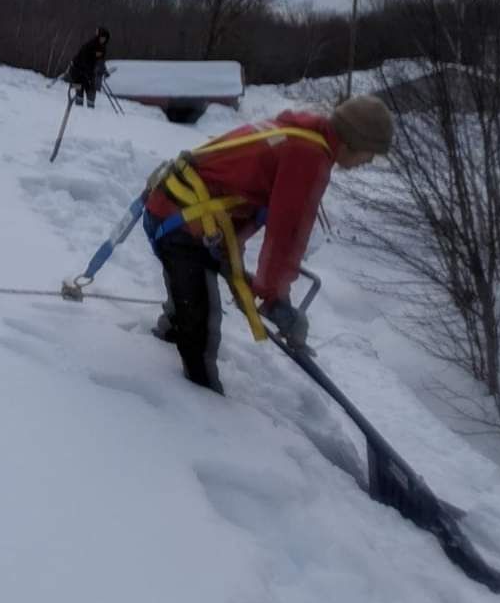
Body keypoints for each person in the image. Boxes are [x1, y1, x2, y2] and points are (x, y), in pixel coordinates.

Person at [141, 94, 394, 394]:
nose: (368, 162)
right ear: (354, 141)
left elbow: (244, 195)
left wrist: (238, 263)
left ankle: (169, 336)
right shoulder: (309, 155)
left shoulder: (299, 134)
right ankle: (200, 401)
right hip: (181, 221)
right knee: (201, 323)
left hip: (178, 211)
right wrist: (276, 300)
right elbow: (287, 233)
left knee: (192, 299)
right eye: (370, 154)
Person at [67, 26, 110, 108]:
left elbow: (100, 61)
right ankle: (78, 108)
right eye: (101, 37)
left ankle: (91, 110)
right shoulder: (89, 46)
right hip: (78, 71)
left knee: (91, 90)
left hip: (89, 73)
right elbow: (84, 60)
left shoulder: (103, 49)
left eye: (104, 38)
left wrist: (104, 70)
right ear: (98, 37)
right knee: (79, 89)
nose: (103, 40)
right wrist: (89, 71)